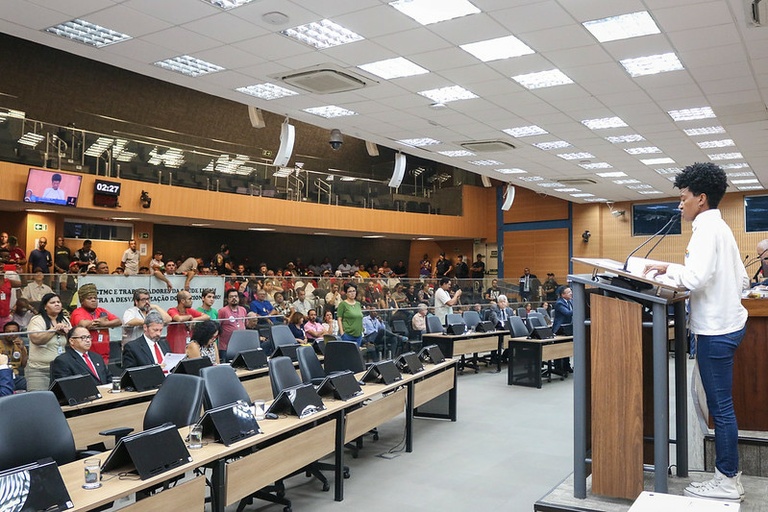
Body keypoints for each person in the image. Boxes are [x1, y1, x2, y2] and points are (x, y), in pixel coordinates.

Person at [643, 162, 748, 503]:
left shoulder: (706, 231)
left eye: (683, 198)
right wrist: (671, 267)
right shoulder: (721, 229)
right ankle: (728, 475)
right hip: (727, 325)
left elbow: (695, 279)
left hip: (716, 331)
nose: (680, 204)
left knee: (720, 408)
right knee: (721, 405)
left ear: (701, 199)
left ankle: (727, 480)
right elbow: (736, 279)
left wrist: (661, 277)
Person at [27, 293, 71, 391]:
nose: (57, 304)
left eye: (58, 302)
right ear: (45, 306)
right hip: (39, 370)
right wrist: (54, 330)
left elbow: (72, 341)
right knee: (38, 400)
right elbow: (36, 340)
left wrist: (66, 332)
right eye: (52, 302)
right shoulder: (37, 320)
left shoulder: (65, 320)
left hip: (61, 369)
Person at [69, 283, 122, 365]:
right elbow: (83, 324)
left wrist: (104, 324)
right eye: (89, 298)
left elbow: (118, 321)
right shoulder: (78, 312)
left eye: (95, 298)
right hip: (85, 357)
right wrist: (102, 322)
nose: (93, 300)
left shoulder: (100, 310)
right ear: (82, 301)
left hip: (104, 356)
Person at [217, 288, 247, 361]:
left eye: (236, 296)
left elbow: (245, 324)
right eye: (231, 297)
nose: (234, 298)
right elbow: (218, 327)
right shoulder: (222, 311)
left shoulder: (243, 309)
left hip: (241, 345)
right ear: (227, 299)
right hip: (225, 347)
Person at [1, 321, 28, 391]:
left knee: (29, 384)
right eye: (8, 332)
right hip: (2, 375)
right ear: (4, 333)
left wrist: (22, 349)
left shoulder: (20, 345)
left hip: (16, 376)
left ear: (18, 333)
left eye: (14, 331)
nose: (11, 334)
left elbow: (24, 364)